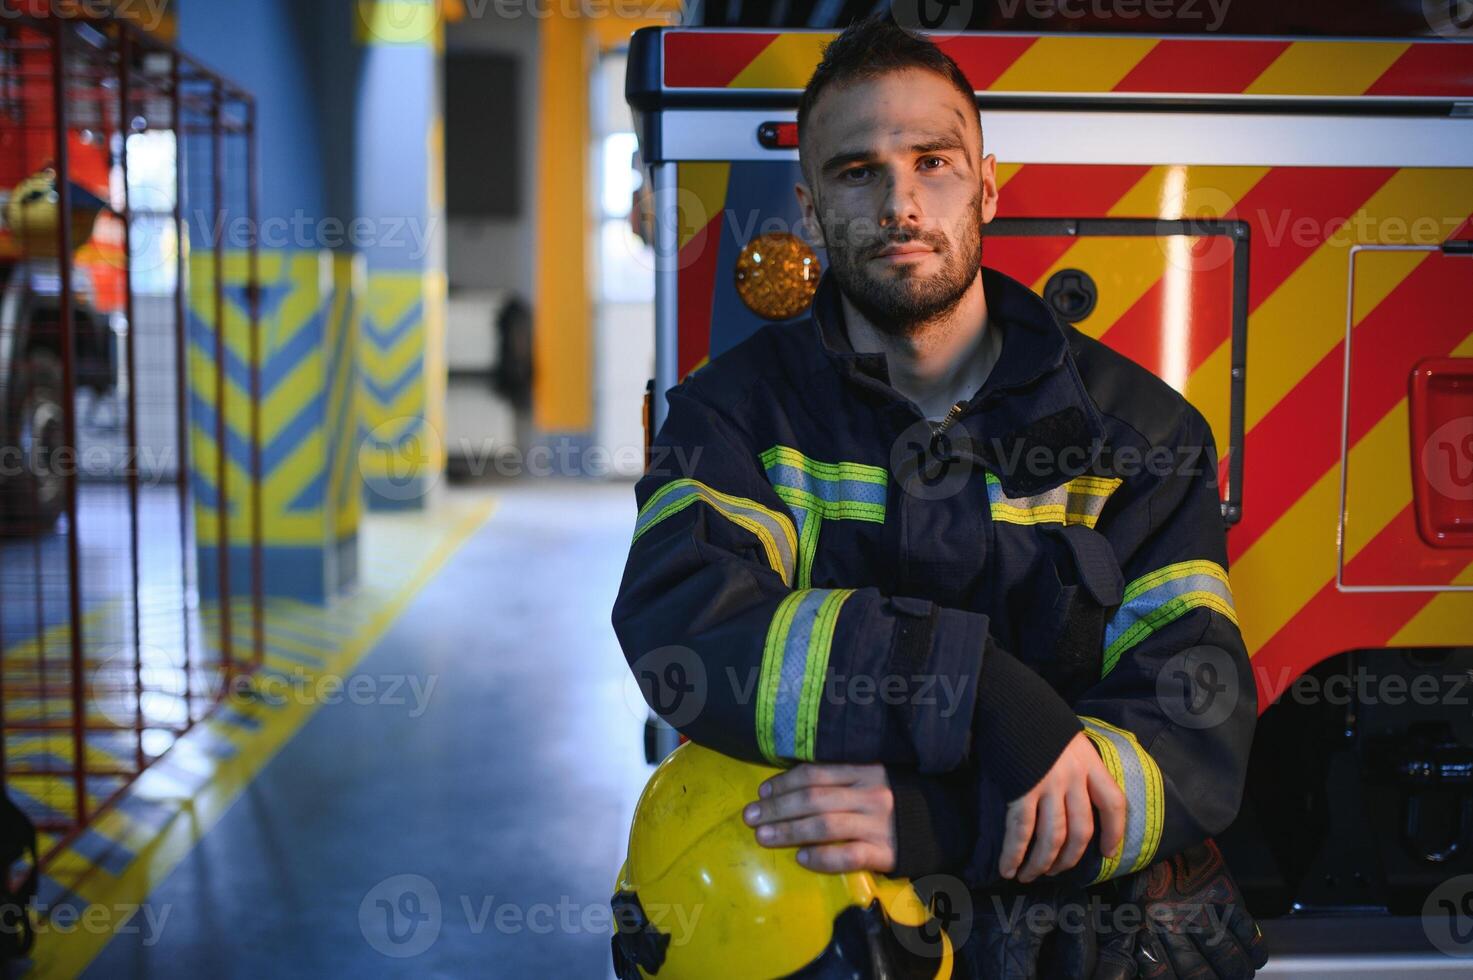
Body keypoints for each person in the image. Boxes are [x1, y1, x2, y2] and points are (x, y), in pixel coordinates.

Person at [611, 14, 1265, 977]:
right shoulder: (732, 417)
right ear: (807, 206)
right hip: (832, 928)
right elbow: (687, 634)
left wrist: (943, 821)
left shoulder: (1139, 434)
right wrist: (977, 693)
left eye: (933, 162)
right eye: (856, 171)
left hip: (1063, 936)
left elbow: (1194, 722)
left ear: (987, 185)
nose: (900, 203)